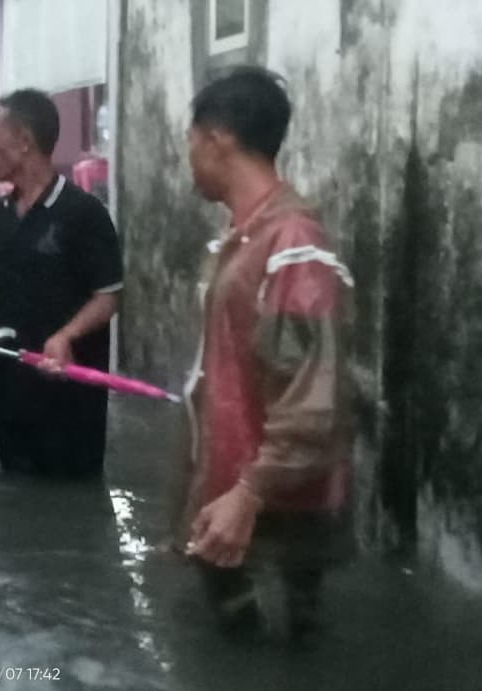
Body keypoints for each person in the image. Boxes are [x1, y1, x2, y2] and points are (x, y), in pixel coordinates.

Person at [178, 67, 353, 645]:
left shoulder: (293, 244)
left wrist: (248, 494)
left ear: (216, 140)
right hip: (237, 502)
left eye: (191, 141)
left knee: (277, 675)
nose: (190, 157)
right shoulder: (247, 237)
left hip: (273, 518)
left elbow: (312, 398)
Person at [0, 89, 123, 478]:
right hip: (12, 395)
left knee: (73, 505)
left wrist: (66, 336)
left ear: (24, 142)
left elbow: (107, 297)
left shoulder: (83, 213)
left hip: (72, 398)